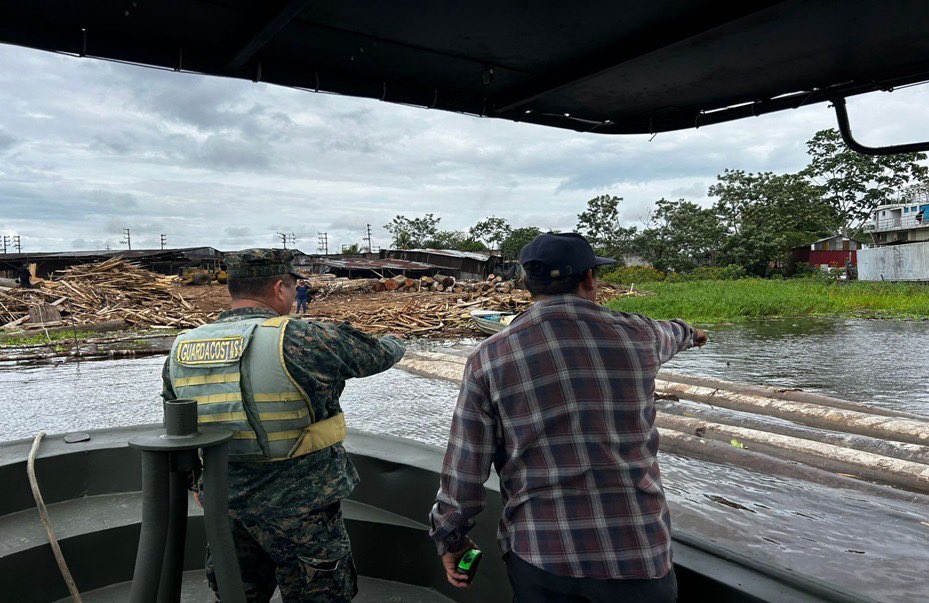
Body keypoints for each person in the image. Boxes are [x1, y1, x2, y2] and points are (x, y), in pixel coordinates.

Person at [429, 233, 707, 602]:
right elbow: (674, 332)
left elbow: (465, 470)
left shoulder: (489, 357)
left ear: (527, 284)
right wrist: (694, 333)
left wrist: (451, 538)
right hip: (640, 553)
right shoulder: (640, 335)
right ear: (590, 278)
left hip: (543, 555)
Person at [162, 248, 405, 602]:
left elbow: (179, 425)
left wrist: (198, 481)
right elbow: (380, 354)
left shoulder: (181, 349)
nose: (293, 297)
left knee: (237, 592)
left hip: (226, 504)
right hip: (303, 506)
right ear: (279, 288)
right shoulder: (304, 338)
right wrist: (398, 342)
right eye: (293, 289)